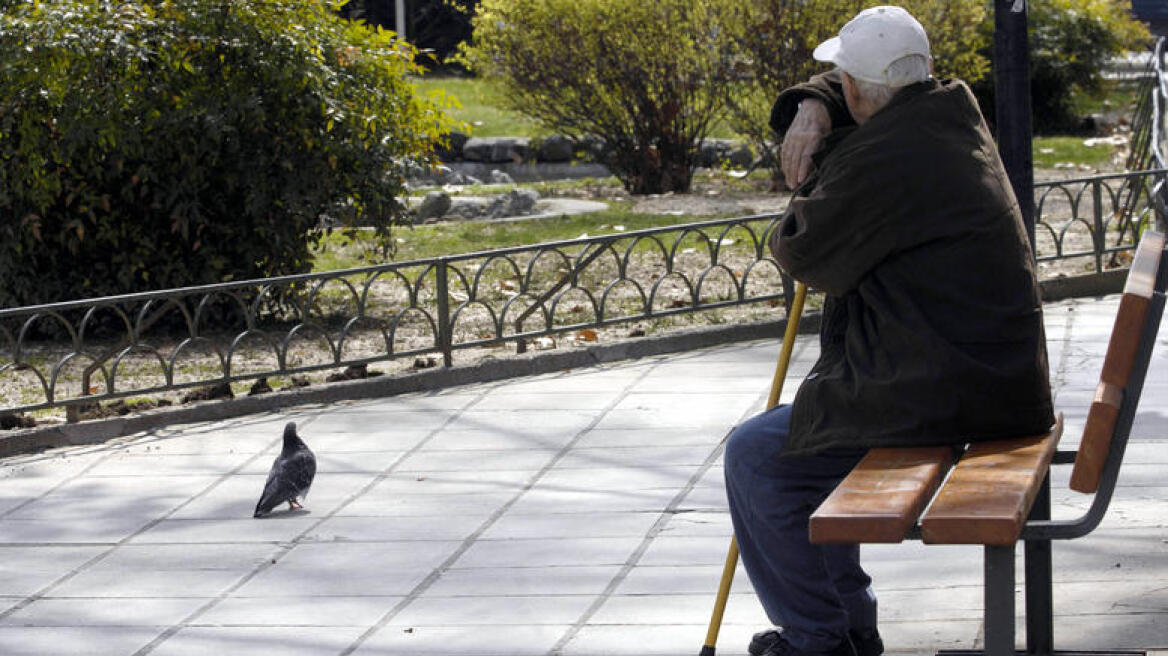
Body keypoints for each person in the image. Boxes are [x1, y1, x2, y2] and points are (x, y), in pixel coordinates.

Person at [723, 6, 1055, 656]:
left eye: (837, 82)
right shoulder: (944, 113)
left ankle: (820, 638)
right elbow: (869, 102)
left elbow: (801, 249)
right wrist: (816, 104)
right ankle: (847, 625)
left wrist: (814, 151)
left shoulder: (891, 158)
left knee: (759, 459)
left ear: (854, 90)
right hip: (982, 376)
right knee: (799, 450)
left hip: (951, 389)